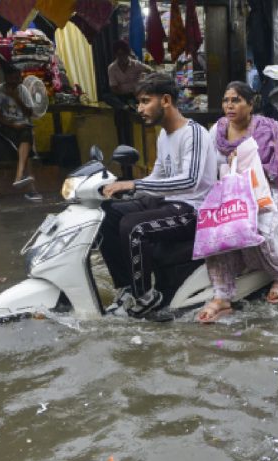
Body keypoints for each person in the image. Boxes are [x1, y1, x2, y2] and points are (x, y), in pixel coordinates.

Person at [99, 73, 217, 317]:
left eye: (145, 101)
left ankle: (145, 297)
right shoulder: (164, 135)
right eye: (139, 103)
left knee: (133, 226)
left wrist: (133, 184)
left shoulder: (193, 133)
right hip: (168, 202)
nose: (140, 109)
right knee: (109, 213)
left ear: (165, 100)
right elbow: (158, 177)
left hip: (193, 210)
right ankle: (127, 288)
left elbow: (190, 181)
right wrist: (122, 187)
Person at [195, 81, 278, 323]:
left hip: (262, 191)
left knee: (261, 228)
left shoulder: (268, 130)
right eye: (226, 101)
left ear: (250, 105)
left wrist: (243, 161)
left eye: (236, 100)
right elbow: (207, 166)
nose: (229, 106)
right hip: (228, 193)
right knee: (213, 233)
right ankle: (222, 295)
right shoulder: (217, 131)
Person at [0, 62, 41, 201]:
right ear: (6, 78)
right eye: (13, 79)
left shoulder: (22, 90)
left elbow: (29, 113)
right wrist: (12, 125)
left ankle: (20, 178)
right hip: (4, 126)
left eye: (18, 79)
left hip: (22, 126)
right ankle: (27, 186)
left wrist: (16, 98)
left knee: (26, 134)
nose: (16, 82)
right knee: (27, 144)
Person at [104, 39, 153, 171]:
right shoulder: (112, 68)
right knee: (107, 96)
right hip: (120, 97)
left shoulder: (136, 65)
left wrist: (142, 83)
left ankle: (129, 107)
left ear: (127, 53)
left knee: (133, 101)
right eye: (118, 55)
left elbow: (151, 71)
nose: (122, 57)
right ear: (115, 55)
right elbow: (114, 89)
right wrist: (126, 88)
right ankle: (125, 108)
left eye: (123, 54)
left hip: (134, 95)